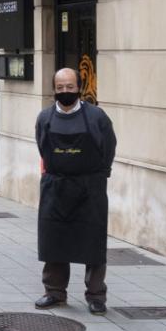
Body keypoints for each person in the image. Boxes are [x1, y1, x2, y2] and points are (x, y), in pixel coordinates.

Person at [33, 69, 116, 314]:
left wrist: (97, 176)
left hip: (90, 188)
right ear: (54, 89)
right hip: (55, 188)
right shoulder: (44, 118)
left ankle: (96, 296)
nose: (65, 92)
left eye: (70, 87)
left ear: (79, 87)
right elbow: (42, 146)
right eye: (60, 87)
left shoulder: (97, 117)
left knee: (93, 243)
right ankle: (54, 293)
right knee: (54, 241)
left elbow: (108, 148)